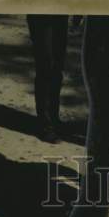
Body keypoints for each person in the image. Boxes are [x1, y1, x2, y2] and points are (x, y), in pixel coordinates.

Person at [26, 15, 69, 143]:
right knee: (46, 65)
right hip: (40, 12)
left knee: (57, 66)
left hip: (61, 11)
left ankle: (53, 119)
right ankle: (46, 125)